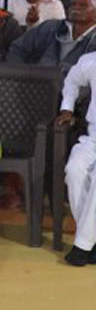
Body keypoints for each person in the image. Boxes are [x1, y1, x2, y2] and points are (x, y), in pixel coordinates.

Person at [57, 46, 96, 266]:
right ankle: (92, 240)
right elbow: (71, 80)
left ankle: (82, 246)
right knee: (74, 170)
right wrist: (67, 108)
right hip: (93, 137)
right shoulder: (91, 61)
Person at [8, 0, 96, 74]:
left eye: (83, 5)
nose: (76, 8)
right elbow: (18, 47)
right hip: (38, 81)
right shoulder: (51, 27)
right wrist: (19, 75)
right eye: (73, 4)